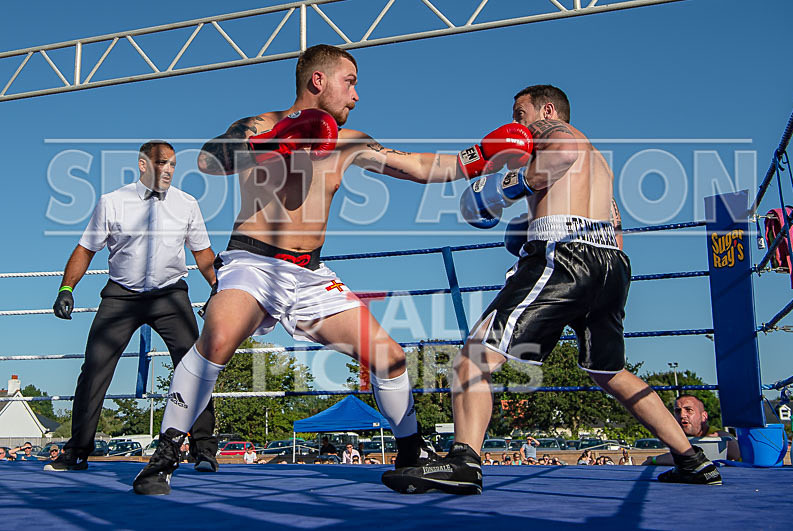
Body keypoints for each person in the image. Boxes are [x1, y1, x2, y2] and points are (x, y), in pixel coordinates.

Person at [132, 44, 532, 495]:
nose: (356, 95)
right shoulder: (261, 124)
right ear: (317, 81)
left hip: (311, 275)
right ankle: (164, 455)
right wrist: (276, 140)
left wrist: (483, 153)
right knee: (218, 340)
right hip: (253, 261)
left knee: (391, 358)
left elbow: (419, 167)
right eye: (351, 81)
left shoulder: (351, 142)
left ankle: (411, 451)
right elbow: (209, 159)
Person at [382, 85, 722, 495]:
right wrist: (528, 229)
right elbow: (613, 221)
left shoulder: (553, 130)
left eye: (519, 112)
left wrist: (506, 188)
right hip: (611, 263)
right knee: (609, 371)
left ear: (545, 108)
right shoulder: (600, 165)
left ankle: (464, 462)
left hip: (564, 253)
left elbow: (558, 156)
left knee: (473, 357)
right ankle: (692, 460)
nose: (516, 123)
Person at [46, 141, 219, 473]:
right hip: (120, 295)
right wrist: (66, 288)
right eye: (162, 163)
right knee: (94, 368)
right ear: (143, 165)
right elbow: (85, 249)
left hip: (170, 295)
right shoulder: (112, 202)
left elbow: (204, 255)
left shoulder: (187, 204)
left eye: (173, 164)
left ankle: (204, 450)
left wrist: (218, 290)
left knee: (196, 366)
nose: (169, 169)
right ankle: (77, 450)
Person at [647, 394, 740, 465]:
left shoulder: (719, 436)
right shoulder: (678, 436)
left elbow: (690, 456)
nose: (682, 415)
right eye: (678, 411)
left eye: (689, 410)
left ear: (704, 416)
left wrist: (654, 460)